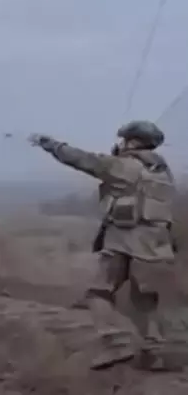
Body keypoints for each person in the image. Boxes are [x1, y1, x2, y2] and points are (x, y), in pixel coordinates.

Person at [28, 120, 176, 371]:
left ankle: (116, 342)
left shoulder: (125, 166)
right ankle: (155, 353)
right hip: (155, 247)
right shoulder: (163, 173)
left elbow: (82, 160)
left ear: (133, 141)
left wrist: (50, 144)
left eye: (124, 140)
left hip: (122, 241)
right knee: (144, 300)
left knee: (98, 293)